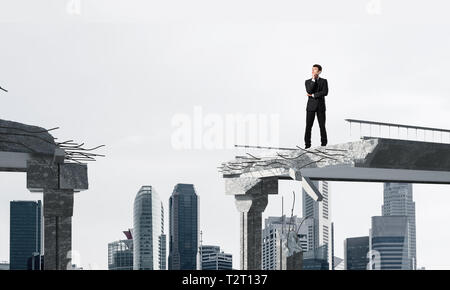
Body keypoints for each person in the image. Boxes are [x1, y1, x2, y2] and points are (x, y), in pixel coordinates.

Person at [304, 64, 328, 149]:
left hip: (321, 107)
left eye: (315, 69)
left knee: (322, 126)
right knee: (308, 126)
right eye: (312, 69)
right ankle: (307, 145)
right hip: (310, 107)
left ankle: (324, 144)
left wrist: (313, 95)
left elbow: (325, 92)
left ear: (319, 71)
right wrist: (313, 80)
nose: (313, 71)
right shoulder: (307, 81)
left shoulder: (324, 81)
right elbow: (309, 90)